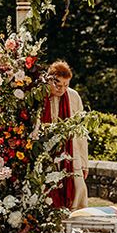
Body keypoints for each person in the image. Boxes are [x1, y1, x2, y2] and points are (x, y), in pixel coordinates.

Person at [42, 60, 89, 210]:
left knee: (77, 188)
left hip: (71, 151)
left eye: (66, 85)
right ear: (49, 80)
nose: (62, 89)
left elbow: (81, 133)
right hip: (45, 151)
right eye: (59, 85)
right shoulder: (40, 96)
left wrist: (84, 162)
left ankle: (75, 223)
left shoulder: (74, 97)